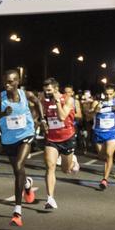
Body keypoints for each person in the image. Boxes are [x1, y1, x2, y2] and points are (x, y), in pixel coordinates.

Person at [0, 69, 39, 227]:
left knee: (19, 165)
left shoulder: (25, 94)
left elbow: (37, 102)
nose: (7, 84)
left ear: (18, 81)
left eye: (11, 81)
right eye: (5, 82)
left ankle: (17, 212)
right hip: (9, 139)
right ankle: (27, 184)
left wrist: (41, 119)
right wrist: (1, 114)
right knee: (18, 172)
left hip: (26, 134)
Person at [39, 78, 78, 210]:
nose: (47, 93)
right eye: (45, 90)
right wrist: (42, 122)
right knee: (50, 166)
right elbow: (40, 116)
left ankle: (73, 162)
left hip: (67, 137)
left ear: (56, 89)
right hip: (52, 138)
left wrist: (57, 103)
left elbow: (62, 117)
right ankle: (50, 198)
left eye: (49, 90)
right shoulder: (43, 100)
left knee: (66, 170)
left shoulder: (68, 99)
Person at [88, 83, 115, 189]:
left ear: (114, 94)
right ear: (103, 93)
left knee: (109, 154)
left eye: (111, 94)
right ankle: (105, 175)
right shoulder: (97, 102)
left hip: (112, 132)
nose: (108, 96)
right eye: (106, 94)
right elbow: (89, 116)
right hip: (99, 132)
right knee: (102, 156)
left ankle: (104, 180)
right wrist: (95, 110)